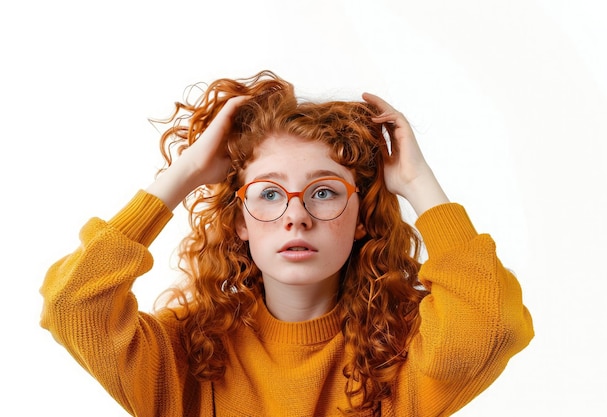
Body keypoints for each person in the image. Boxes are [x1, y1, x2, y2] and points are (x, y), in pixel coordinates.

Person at [40, 70, 534, 417]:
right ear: (239, 221)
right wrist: (184, 174)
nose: (296, 216)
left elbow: (489, 327)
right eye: (269, 193)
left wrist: (419, 182)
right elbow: (72, 305)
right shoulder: (186, 354)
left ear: (361, 217)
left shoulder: (402, 356)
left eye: (323, 192)